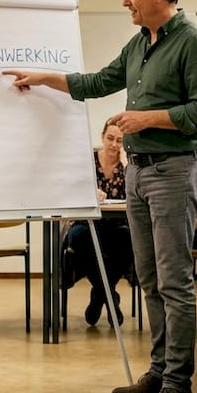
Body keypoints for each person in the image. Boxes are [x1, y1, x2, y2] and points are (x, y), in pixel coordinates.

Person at [4, 0, 197, 393]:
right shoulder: (140, 44)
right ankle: (160, 371)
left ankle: (178, 386)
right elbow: (99, 81)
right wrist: (42, 77)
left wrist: (148, 118)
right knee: (148, 277)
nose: (126, 1)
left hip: (174, 170)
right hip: (140, 171)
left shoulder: (194, 41)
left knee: (175, 281)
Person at [62, 119, 133, 326]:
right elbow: (72, 190)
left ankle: (100, 295)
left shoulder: (127, 167)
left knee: (127, 236)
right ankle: (110, 296)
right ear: (102, 137)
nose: (114, 144)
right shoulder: (88, 162)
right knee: (78, 237)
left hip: (114, 223)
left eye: (119, 140)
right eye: (110, 138)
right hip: (87, 221)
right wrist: (90, 194)